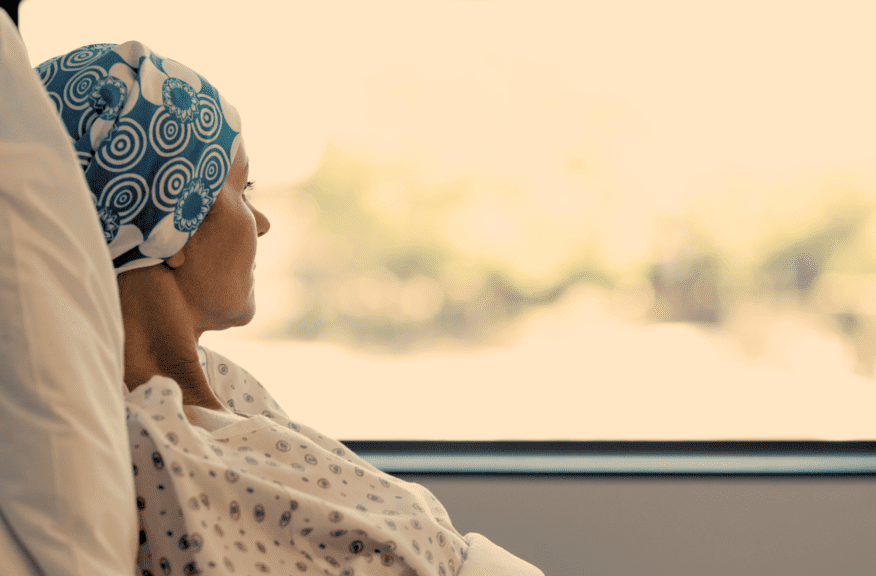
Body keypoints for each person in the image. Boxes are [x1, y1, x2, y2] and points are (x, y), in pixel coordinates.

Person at [37, 42, 541, 576]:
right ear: (173, 220)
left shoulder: (220, 386)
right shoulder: (164, 458)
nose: (261, 222)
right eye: (242, 188)